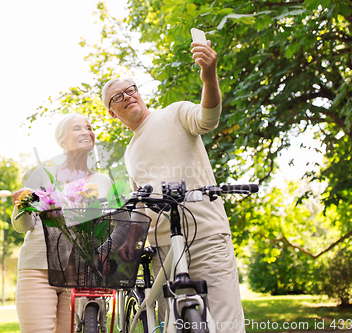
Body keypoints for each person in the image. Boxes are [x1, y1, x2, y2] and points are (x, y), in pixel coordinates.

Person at [101, 39, 245, 332]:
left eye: (131, 89)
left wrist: (209, 75)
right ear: (112, 113)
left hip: (205, 235)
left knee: (225, 321)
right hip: (163, 249)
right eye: (118, 97)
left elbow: (208, 117)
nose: (128, 96)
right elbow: (140, 206)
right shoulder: (130, 153)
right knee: (176, 325)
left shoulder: (175, 113)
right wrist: (126, 247)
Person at [11, 113, 112, 333]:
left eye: (88, 128)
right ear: (61, 141)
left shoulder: (103, 181)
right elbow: (22, 226)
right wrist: (22, 204)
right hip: (37, 269)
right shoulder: (41, 174)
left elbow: (103, 226)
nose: (86, 131)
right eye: (77, 128)